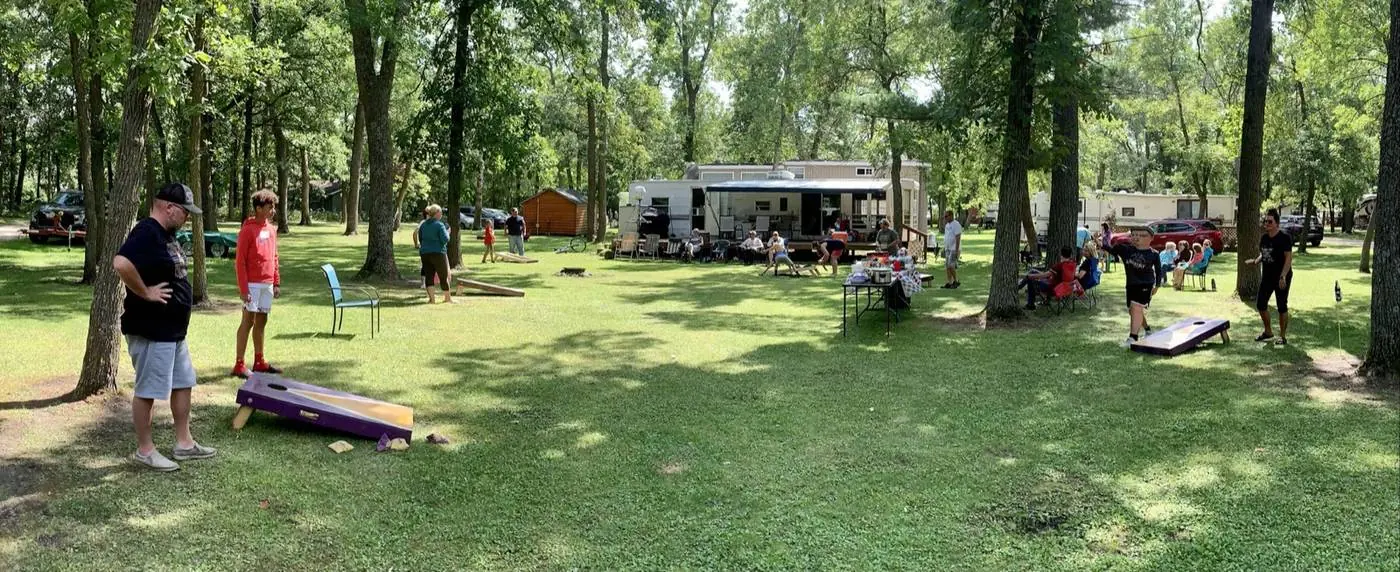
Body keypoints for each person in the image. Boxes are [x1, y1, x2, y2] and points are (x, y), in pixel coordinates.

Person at [113, 182, 216, 472]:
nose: (187, 218)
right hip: (151, 329)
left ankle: (184, 444)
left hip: (172, 331)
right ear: (169, 208)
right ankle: (145, 450)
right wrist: (145, 292)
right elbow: (120, 263)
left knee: (184, 382)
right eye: (185, 212)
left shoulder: (166, 234)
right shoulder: (147, 231)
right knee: (148, 389)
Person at [230, 190, 283, 379]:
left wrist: (276, 282)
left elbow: (274, 256)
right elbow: (240, 262)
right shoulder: (247, 230)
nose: (273, 211)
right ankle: (239, 364)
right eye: (270, 207)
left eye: (274, 207)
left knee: (262, 321)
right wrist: (244, 289)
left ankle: (259, 361)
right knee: (248, 321)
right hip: (252, 284)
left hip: (266, 284)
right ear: (259, 208)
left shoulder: (271, 230)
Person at [1246, 209, 1294, 345]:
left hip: (1281, 277)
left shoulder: (1284, 238)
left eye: (1269, 221)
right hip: (1267, 277)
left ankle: (1282, 336)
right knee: (1261, 304)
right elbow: (1265, 254)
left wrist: (1283, 276)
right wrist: (1255, 261)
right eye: (1265, 221)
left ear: (1277, 223)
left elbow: (1288, 258)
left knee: (1281, 306)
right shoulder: (1264, 238)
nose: (1266, 223)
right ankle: (1268, 332)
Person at [1112, 226, 1162, 348]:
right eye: (1134, 235)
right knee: (1133, 310)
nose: (1137, 237)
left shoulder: (1154, 254)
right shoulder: (1129, 250)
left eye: (1142, 235)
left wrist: (1157, 285)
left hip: (1146, 284)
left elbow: (1159, 271)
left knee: (1136, 307)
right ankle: (1148, 330)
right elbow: (1112, 249)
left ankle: (1133, 337)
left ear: (1150, 238)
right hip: (1131, 284)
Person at [418, 204, 453, 304]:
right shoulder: (439, 225)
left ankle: (432, 299)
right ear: (436, 213)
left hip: (425, 253)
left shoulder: (423, 225)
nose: (441, 214)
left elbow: (421, 238)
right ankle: (447, 298)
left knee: (429, 276)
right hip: (438, 253)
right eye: (440, 212)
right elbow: (446, 239)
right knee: (443, 276)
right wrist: (448, 233)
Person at [941, 211, 963, 289]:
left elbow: (958, 237)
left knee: (951, 265)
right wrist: (945, 247)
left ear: (951, 216)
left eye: (946, 216)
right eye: (944, 217)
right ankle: (949, 282)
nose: (945, 218)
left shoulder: (956, 224)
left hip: (954, 248)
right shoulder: (947, 225)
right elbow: (947, 237)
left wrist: (957, 250)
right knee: (947, 266)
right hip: (948, 248)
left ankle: (956, 281)